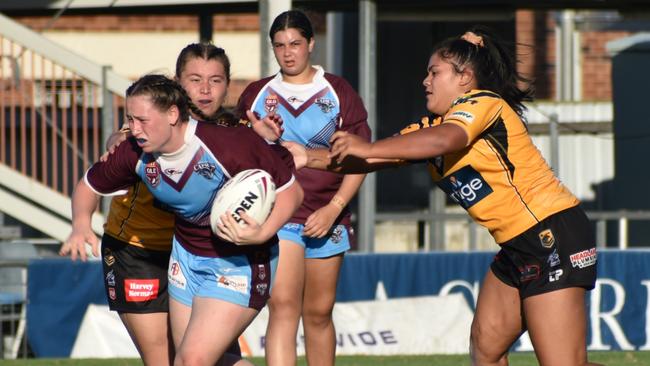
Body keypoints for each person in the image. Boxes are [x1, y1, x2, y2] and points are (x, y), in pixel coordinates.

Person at [285, 26, 601, 366]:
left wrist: (369, 146)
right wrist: (304, 156)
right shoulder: (429, 127)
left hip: (551, 235)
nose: (425, 81)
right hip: (515, 246)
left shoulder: (481, 103)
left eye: (435, 72)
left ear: (464, 78)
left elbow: (446, 140)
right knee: (487, 351)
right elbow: (371, 158)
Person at [60, 43, 287, 366]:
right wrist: (81, 223)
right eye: (195, 80)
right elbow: (109, 160)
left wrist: (267, 144)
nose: (205, 90)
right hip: (140, 250)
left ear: (227, 84)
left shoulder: (234, 134)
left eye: (216, 80)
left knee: (208, 355)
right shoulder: (143, 132)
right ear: (177, 85)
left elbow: (283, 180)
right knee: (166, 360)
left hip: (207, 252)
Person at [237, 10, 370, 366]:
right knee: (283, 307)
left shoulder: (338, 91)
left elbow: (363, 158)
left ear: (311, 44)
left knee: (319, 313)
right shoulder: (256, 95)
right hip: (281, 216)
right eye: (279, 45)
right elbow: (235, 158)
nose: (288, 52)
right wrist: (255, 136)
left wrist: (334, 207)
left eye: (295, 43)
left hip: (329, 215)